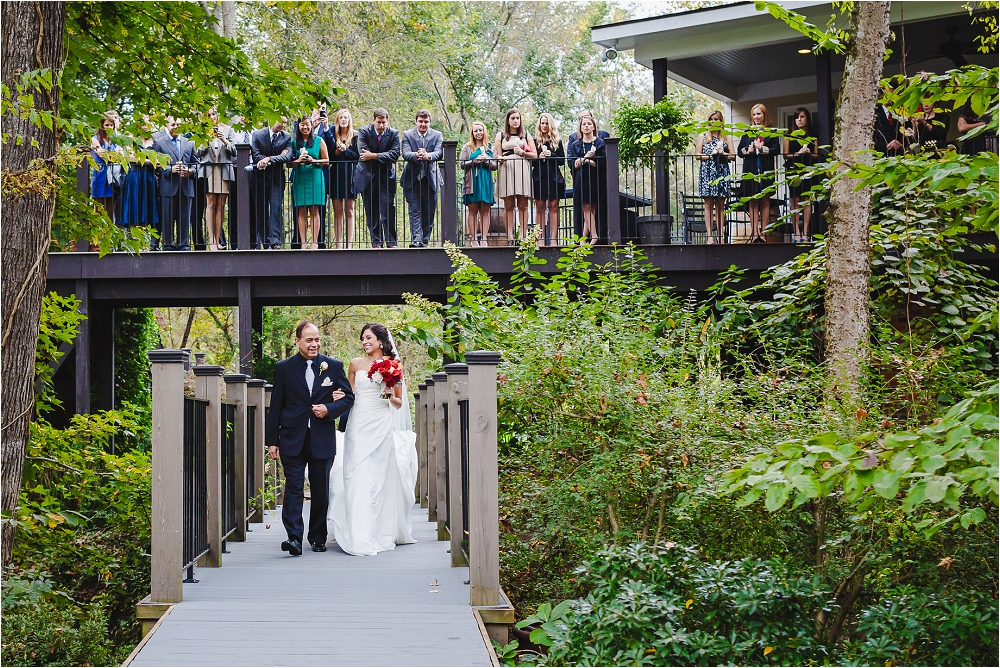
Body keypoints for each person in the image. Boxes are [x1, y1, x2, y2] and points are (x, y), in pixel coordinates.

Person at [328, 323, 417, 556]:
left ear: (380, 340)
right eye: (362, 338)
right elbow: (349, 394)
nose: (365, 341)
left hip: (381, 422)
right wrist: (337, 395)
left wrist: (390, 395)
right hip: (359, 422)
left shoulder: (394, 365)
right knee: (356, 473)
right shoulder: (355, 364)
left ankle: (378, 531)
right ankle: (358, 533)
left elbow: (398, 402)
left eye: (368, 337)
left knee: (379, 477)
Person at [265, 321, 354, 556]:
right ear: (297, 341)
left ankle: (317, 537)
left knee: (320, 489)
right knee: (293, 487)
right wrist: (272, 441)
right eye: (309, 340)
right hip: (291, 437)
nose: (314, 344)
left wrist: (329, 409)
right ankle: (294, 537)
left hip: (321, 437)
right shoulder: (283, 368)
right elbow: (276, 406)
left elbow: (348, 399)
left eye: (317, 340)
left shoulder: (333, 367)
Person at [353, 109, 401, 248]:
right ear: (373, 120)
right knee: (371, 210)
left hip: (386, 177)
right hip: (367, 176)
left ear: (387, 121)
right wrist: (382, 156)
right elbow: (363, 153)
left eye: (384, 122)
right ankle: (376, 242)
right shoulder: (364, 132)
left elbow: (395, 155)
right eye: (379, 122)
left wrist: (374, 156)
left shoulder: (393, 134)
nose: (381, 125)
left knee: (388, 209)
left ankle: (391, 242)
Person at [152, 116, 196, 251]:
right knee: (167, 217)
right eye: (173, 124)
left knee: (184, 217)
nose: (176, 127)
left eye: (178, 124)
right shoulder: (159, 142)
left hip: (186, 186)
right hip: (167, 186)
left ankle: (184, 245)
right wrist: (170, 169)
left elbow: (197, 164)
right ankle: (168, 244)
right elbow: (156, 165)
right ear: (167, 125)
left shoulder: (190, 142)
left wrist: (190, 171)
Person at [737, 103, 780, 243]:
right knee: (753, 201)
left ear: (764, 115)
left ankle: (764, 233)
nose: (756, 117)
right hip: (751, 170)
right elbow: (739, 151)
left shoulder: (771, 131)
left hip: (765, 170)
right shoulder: (747, 132)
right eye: (754, 114)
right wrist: (748, 150)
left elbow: (776, 149)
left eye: (759, 114)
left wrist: (763, 149)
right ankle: (755, 233)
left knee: (765, 200)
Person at [401, 110, 444, 247]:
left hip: (430, 178)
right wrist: (417, 155)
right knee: (414, 211)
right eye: (420, 121)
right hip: (412, 179)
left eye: (426, 122)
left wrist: (428, 156)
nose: (423, 124)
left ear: (429, 122)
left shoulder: (437, 135)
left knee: (429, 212)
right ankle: (416, 240)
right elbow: (405, 153)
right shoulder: (407, 135)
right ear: (416, 121)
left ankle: (424, 241)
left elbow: (439, 153)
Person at [493, 108, 536, 245]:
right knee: (508, 204)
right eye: (513, 118)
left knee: (523, 204)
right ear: (508, 120)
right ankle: (510, 237)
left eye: (518, 118)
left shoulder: (526, 135)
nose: (515, 121)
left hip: (522, 168)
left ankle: (523, 236)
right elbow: (498, 155)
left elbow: (535, 155)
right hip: (506, 169)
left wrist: (522, 152)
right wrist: (500, 159)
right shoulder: (500, 136)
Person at [196, 108, 237, 250]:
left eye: (214, 114)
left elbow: (234, 151)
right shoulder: (203, 131)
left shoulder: (228, 130)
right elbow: (198, 152)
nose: (212, 117)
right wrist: (206, 138)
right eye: (209, 115)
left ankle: (218, 239)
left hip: (224, 169)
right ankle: (212, 240)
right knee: (211, 203)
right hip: (209, 170)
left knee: (221, 205)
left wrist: (224, 140)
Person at [251, 117, 294, 249]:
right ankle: (266, 241)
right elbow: (256, 156)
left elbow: (288, 156)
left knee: (275, 208)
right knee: (261, 210)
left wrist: (269, 158)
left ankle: (275, 242)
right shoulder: (258, 135)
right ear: (273, 120)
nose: (284, 125)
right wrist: (277, 157)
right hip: (259, 179)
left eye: (286, 123)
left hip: (276, 179)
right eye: (282, 122)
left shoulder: (286, 137)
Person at [289, 117, 330, 249]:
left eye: (307, 124)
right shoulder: (294, 143)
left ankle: (315, 242)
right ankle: (303, 242)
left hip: (315, 177)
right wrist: (299, 160)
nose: (305, 127)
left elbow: (327, 161)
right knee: (301, 210)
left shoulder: (319, 141)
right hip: (300, 177)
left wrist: (314, 161)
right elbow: (289, 164)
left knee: (314, 210)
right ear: (298, 126)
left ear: (311, 125)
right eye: (302, 125)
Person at [321, 108, 359, 248]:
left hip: (350, 176)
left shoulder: (355, 136)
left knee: (350, 210)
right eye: (341, 117)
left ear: (349, 120)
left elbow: (357, 157)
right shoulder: (332, 134)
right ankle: (338, 244)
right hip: (336, 175)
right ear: (337, 120)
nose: (344, 120)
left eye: (346, 117)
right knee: (338, 211)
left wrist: (346, 150)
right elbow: (329, 156)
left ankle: (349, 245)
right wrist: (337, 150)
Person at [695, 110, 734, 245]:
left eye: (716, 119)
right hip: (707, 171)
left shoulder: (726, 137)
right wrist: (711, 154)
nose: (713, 121)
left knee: (721, 205)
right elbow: (698, 155)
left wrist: (723, 153)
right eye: (711, 119)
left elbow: (733, 156)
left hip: (722, 171)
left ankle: (721, 236)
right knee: (708, 204)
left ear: (721, 121)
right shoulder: (703, 136)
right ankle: (710, 236)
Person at [568, 115, 606, 244]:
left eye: (589, 124)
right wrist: (586, 158)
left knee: (592, 208)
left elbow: (602, 163)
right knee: (585, 207)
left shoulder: (600, 143)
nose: (586, 126)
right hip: (581, 179)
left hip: (595, 178)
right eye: (584, 124)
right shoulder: (575, 145)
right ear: (580, 127)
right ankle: (593, 236)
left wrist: (587, 161)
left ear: (594, 126)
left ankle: (584, 238)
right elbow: (574, 164)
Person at [783, 107, 818, 243]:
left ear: (807, 119)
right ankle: (796, 231)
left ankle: (806, 230)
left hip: (808, 167)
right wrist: (798, 153)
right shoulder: (789, 135)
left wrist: (809, 152)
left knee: (806, 199)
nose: (799, 119)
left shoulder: (812, 135)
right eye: (797, 117)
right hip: (793, 169)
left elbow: (816, 154)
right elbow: (786, 155)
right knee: (795, 199)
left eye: (802, 117)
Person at [459, 121, 497, 247]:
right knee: (472, 210)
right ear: (472, 133)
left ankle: (484, 239)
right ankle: (474, 239)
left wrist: (487, 160)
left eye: (480, 130)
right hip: (472, 181)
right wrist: (474, 161)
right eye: (476, 131)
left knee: (485, 210)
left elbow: (495, 166)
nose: (478, 133)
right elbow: (462, 164)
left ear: (484, 131)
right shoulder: (467, 147)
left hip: (486, 181)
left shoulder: (491, 147)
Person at [532, 113, 566, 246]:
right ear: (539, 125)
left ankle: (553, 240)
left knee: (553, 207)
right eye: (542, 123)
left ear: (550, 124)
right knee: (539, 207)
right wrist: (538, 157)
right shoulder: (535, 141)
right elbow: (531, 161)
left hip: (554, 178)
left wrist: (552, 155)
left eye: (546, 123)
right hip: (539, 177)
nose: (544, 125)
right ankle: (539, 239)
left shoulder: (557, 141)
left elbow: (562, 160)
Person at [120, 117, 159, 233]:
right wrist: (151, 162)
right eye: (143, 123)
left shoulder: (152, 140)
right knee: (135, 207)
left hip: (148, 177)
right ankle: (136, 237)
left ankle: (145, 242)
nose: (146, 125)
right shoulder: (131, 139)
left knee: (147, 209)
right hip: (135, 176)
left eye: (148, 123)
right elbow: (130, 158)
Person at [90, 112, 124, 223]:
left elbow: (122, 157)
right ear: (102, 126)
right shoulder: (95, 139)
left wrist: (109, 154)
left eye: (111, 125)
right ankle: (96, 239)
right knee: (99, 211)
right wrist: (114, 154)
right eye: (107, 125)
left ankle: (109, 238)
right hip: (100, 176)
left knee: (111, 210)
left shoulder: (117, 141)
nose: (109, 127)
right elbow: (103, 156)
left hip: (113, 177)